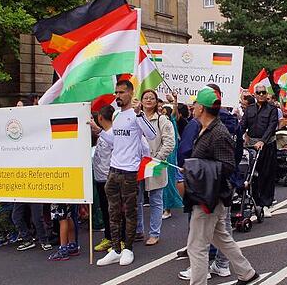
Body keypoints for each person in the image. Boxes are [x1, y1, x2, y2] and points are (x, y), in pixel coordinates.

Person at [182, 86, 260, 285]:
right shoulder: (208, 129)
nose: (192, 107)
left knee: (196, 246)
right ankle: (247, 273)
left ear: (202, 108)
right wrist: (194, 169)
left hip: (209, 197)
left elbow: (227, 166)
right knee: (221, 238)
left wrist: (195, 169)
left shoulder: (218, 133)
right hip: (210, 194)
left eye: (196, 103)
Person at [95, 80, 156, 266]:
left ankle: (128, 249)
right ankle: (115, 249)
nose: (118, 95)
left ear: (130, 93)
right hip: (113, 170)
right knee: (113, 211)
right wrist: (98, 131)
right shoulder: (116, 115)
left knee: (130, 212)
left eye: (121, 92)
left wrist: (139, 115)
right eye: (116, 92)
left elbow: (152, 134)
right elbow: (115, 140)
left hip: (130, 171)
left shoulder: (136, 114)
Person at [136, 89, 175, 246]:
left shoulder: (162, 120)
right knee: (136, 199)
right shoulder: (135, 118)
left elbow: (169, 143)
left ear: (156, 101)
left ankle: (154, 233)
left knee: (156, 199)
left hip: (155, 163)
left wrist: (157, 159)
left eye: (152, 98)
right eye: (145, 98)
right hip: (137, 164)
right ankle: (138, 230)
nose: (148, 100)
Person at [241, 85, 278, 218]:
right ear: (255, 94)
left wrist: (262, 140)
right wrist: (237, 136)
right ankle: (256, 202)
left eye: (263, 92)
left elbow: (272, 126)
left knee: (267, 174)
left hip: (267, 145)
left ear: (266, 94)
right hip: (252, 147)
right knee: (253, 175)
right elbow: (243, 125)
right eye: (258, 92)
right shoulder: (249, 109)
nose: (261, 94)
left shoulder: (272, 109)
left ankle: (267, 204)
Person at [93, 105, 115, 253]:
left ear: (100, 117)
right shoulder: (102, 134)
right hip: (100, 178)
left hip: (110, 178)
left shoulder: (112, 133)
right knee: (105, 210)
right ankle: (109, 237)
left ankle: (118, 240)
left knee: (114, 210)